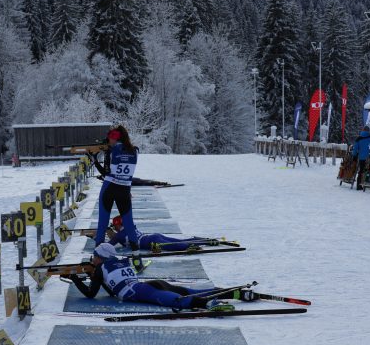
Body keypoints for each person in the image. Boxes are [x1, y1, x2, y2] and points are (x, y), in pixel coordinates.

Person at [69, 244, 255, 311]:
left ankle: (206, 304)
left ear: (100, 257)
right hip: (148, 284)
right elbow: (111, 288)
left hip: (140, 291)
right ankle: (235, 293)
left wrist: (75, 279)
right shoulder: (121, 260)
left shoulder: (100, 268)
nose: (92, 259)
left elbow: (91, 294)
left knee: (177, 300)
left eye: (94, 256)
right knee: (189, 291)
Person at [89, 125, 142, 270]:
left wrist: (94, 159)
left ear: (115, 137)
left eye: (111, 138)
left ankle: (97, 259)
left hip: (109, 188)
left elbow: (106, 173)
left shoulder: (111, 151)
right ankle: (137, 259)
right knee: (129, 224)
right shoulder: (135, 151)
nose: (109, 141)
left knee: (102, 224)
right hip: (124, 190)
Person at [107, 216, 213, 252]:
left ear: (117, 225)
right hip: (154, 237)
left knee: (180, 246)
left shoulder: (118, 236)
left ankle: (198, 244)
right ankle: (202, 240)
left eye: (114, 226)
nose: (114, 228)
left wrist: (99, 235)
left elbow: (108, 245)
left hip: (152, 241)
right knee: (180, 242)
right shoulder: (130, 226)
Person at [352, 125, 370, 190]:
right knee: (369, 171)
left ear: (363, 130)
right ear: (368, 131)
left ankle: (359, 184)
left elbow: (355, 149)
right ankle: (367, 183)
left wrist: (354, 156)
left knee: (361, 171)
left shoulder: (358, 138)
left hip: (361, 157)